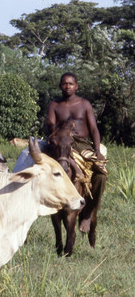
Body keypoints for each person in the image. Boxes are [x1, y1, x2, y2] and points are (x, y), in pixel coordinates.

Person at [45, 72, 107, 233]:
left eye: (70, 83)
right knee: (35, 164)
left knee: (101, 174)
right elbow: (50, 125)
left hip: (81, 144)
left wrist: (97, 149)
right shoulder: (54, 105)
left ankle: (89, 212)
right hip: (60, 142)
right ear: (60, 86)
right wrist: (60, 134)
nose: (67, 86)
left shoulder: (84, 104)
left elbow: (93, 128)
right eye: (64, 83)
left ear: (76, 86)